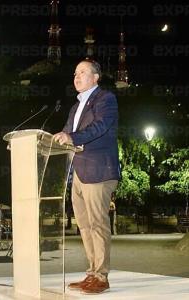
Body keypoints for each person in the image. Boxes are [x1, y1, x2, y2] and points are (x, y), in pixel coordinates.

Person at [53, 59, 120, 294]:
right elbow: (68, 132)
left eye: (82, 72)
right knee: (84, 225)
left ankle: (102, 276)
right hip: (78, 172)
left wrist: (73, 137)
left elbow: (100, 127)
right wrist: (61, 135)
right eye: (74, 73)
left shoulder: (105, 99)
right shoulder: (75, 107)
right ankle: (92, 273)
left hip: (99, 170)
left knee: (97, 224)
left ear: (95, 77)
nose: (76, 76)